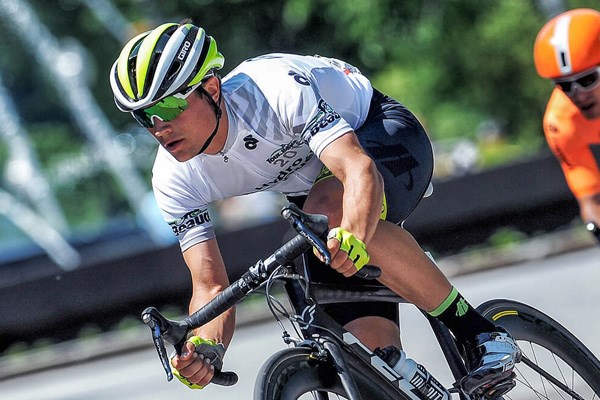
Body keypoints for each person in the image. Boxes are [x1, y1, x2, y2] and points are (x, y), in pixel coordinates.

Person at [109, 20, 520, 397]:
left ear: (211, 89)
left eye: (167, 108)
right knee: (371, 362)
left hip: (377, 136)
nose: (158, 128)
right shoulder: (172, 177)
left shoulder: (272, 92)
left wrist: (355, 235)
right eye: (143, 117)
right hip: (313, 190)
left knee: (327, 218)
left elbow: (357, 168)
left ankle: (479, 332)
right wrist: (205, 345)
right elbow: (210, 288)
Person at [534, 8, 600, 242]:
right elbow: (590, 200)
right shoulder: (560, 122)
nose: (578, 94)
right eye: (565, 85)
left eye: (588, 79)